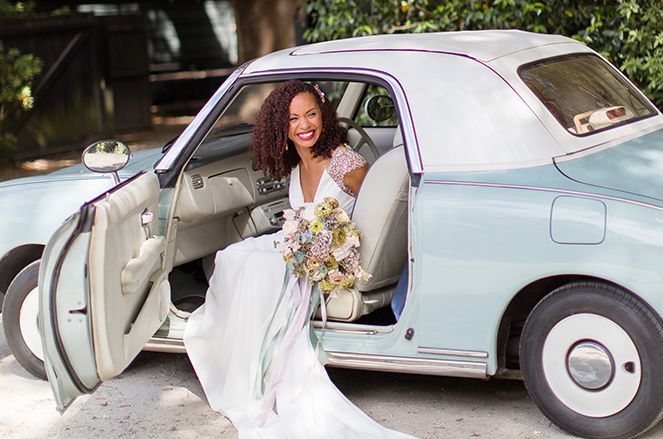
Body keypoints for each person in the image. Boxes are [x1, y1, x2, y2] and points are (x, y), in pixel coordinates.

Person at [184, 80, 415, 438]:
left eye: (311, 114)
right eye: (293, 119)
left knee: (256, 269)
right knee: (231, 257)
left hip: (324, 253)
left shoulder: (344, 162)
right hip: (297, 242)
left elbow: (377, 212)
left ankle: (249, 371)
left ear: (323, 116)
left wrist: (335, 245)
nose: (304, 125)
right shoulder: (296, 161)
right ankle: (236, 358)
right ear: (282, 125)